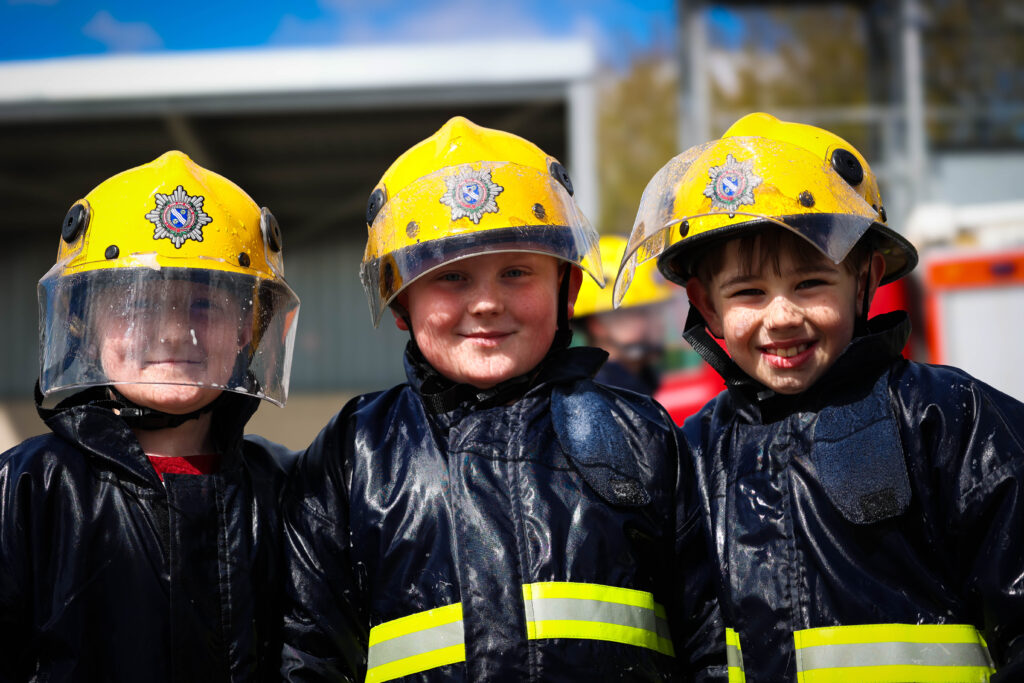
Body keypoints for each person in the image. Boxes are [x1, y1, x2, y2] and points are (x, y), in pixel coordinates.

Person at [280, 116, 722, 682]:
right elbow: (307, 655)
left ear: (568, 289)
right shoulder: (353, 453)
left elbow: (711, 641)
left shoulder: (642, 436)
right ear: (399, 300)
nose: (487, 302)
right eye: (452, 278)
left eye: (516, 272)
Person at [613, 111, 1024, 682]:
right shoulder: (696, 453)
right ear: (707, 307)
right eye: (748, 292)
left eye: (810, 283)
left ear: (865, 281)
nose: (782, 316)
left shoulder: (950, 419)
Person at [0, 151, 301, 682]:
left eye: (205, 304)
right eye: (136, 305)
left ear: (247, 331)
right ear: (83, 327)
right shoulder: (26, 490)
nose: (170, 332)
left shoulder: (286, 491)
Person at [572, 234, 673, 395]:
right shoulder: (591, 398)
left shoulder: (638, 385)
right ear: (597, 323)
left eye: (656, 310)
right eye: (641, 312)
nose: (655, 322)